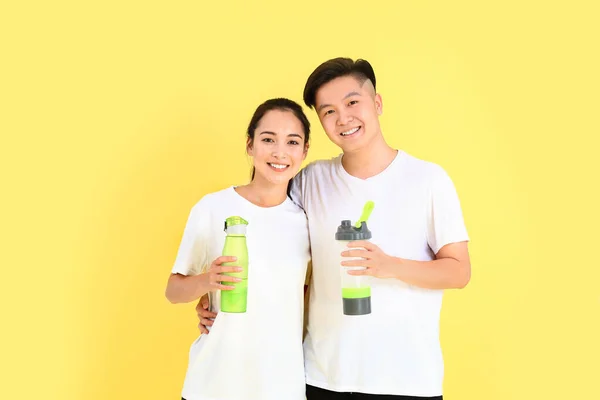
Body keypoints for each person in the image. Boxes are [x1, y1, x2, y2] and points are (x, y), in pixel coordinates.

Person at [198, 58, 471, 399]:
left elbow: (459, 271)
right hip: (321, 376)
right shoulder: (310, 180)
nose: (343, 118)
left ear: (378, 103)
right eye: (328, 111)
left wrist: (390, 266)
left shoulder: (429, 180)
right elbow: (266, 237)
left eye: (352, 102)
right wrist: (212, 297)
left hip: (406, 380)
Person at [166, 98, 312, 400]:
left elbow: (306, 294)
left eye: (292, 142)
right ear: (250, 145)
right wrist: (207, 282)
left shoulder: (306, 221)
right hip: (214, 382)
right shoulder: (213, 207)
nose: (279, 152)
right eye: (268, 139)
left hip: (280, 385)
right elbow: (173, 291)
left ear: (305, 151)